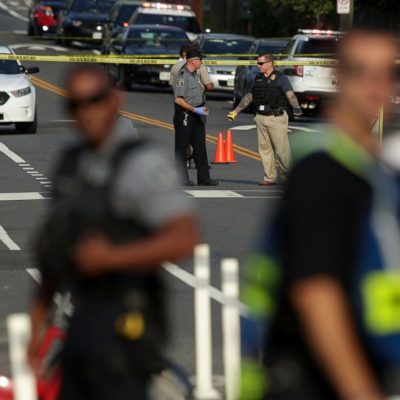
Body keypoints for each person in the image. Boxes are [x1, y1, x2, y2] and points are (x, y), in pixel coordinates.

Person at [240, 25, 399, 400]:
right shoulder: (324, 170)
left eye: (388, 73)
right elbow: (316, 292)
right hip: (315, 379)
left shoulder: (370, 168)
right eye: (361, 71)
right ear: (338, 78)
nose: (375, 85)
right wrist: (360, 391)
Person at [28, 65, 198, 399]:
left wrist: (114, 258)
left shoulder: (142, 163)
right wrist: (36, 332)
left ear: (114, 100)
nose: (86, 112)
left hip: (126, 324)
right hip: (78, 321)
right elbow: (53, 253)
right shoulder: (70, 163)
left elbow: (185, 236)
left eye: (95, 100)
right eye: (76, 104)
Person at [227, 53, 302, 186]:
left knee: (281, 150)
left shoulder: (281, 78)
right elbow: (249, 97)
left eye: (261, 63)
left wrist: (296, 107)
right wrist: (236, 111)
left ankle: (288, 177)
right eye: (258, 63)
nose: (258, 66)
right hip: (260, 117)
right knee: (264, 149)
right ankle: (270, 177)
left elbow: (290, 95)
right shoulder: (258, 78)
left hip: (276, 117)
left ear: (269, 63)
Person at [173, 48, 218, 186]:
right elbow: (178, 100)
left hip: (197, 114)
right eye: (200, 59)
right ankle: (181, 179)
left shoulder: (194, 75)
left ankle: (204, 178)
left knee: (200, 147)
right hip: (186, 115)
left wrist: (201, 108)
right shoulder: (182, 76)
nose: (201, 62)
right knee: (182, 148)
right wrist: (194, 109)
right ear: (192, 61)